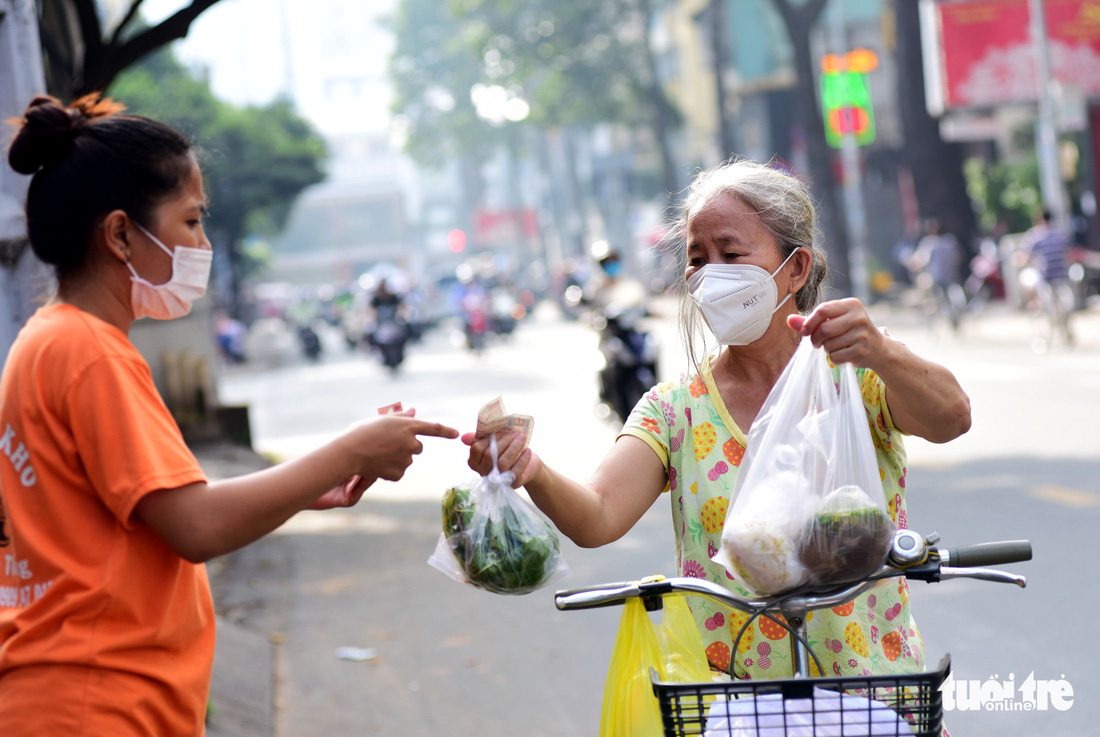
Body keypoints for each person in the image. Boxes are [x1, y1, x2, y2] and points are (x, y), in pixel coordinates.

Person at [0, 94, 459, 737]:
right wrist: (351, 451)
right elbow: (195, 526)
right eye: (191, 221)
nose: (203, 244)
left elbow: (158, 512)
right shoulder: (90, 353)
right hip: (96, 703)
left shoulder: (47, 341)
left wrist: (302, 484)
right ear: (121, 234)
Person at [464, 159, 971, 682]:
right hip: (733, 707)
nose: (710, 275)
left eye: (731, 253)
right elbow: (597, 516)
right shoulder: (674, 410)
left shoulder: (856, 370)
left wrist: (883, 352)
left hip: (874, 693)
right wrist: (530, 469)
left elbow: (951, 418)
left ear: (795, 269)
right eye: (698, 258)